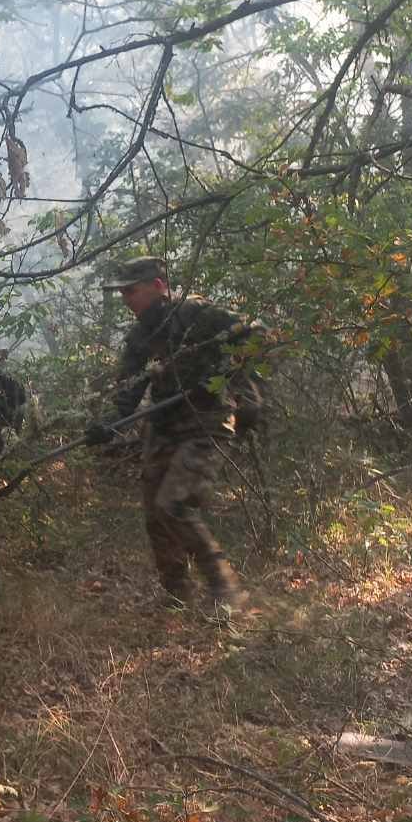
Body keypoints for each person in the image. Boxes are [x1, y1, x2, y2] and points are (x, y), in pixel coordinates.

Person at [86, 257, 253, 611]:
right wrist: (108, 423)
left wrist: (229, 378)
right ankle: (176, 595)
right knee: (154, 514)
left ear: (159, 286)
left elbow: (254, 335)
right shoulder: (139, 337)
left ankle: (226, 591)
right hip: (163, 428)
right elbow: (127, 392)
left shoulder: (197, 314)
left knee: (174, 505)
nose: (125, 299)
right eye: (122, 293)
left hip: (206, 422)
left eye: (131, 291)